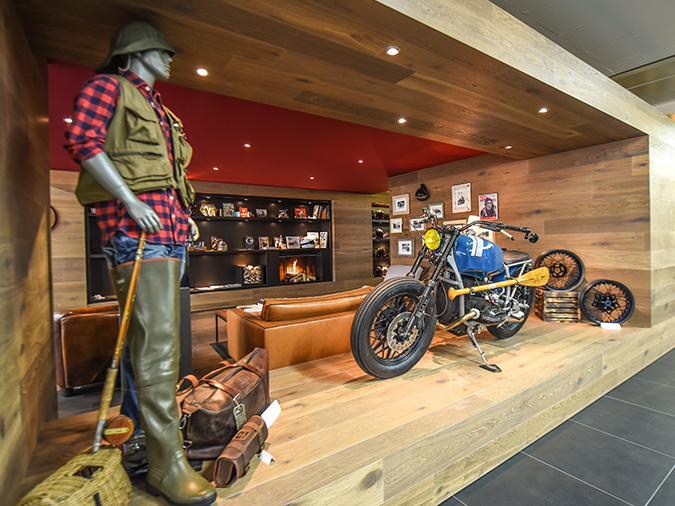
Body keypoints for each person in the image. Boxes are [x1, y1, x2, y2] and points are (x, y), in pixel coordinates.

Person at [64, 21, 216, 506]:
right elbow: (84, 142)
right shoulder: (107, 88)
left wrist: (184, 216)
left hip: (168, 233)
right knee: (158, 350)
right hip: (136, 234)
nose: (170, 58)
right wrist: (130, 201)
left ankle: (140, 443)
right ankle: (166, 465)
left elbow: (168, 176)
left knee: (147, 345)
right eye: (161, 50)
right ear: (134, 52)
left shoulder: (161, 110)